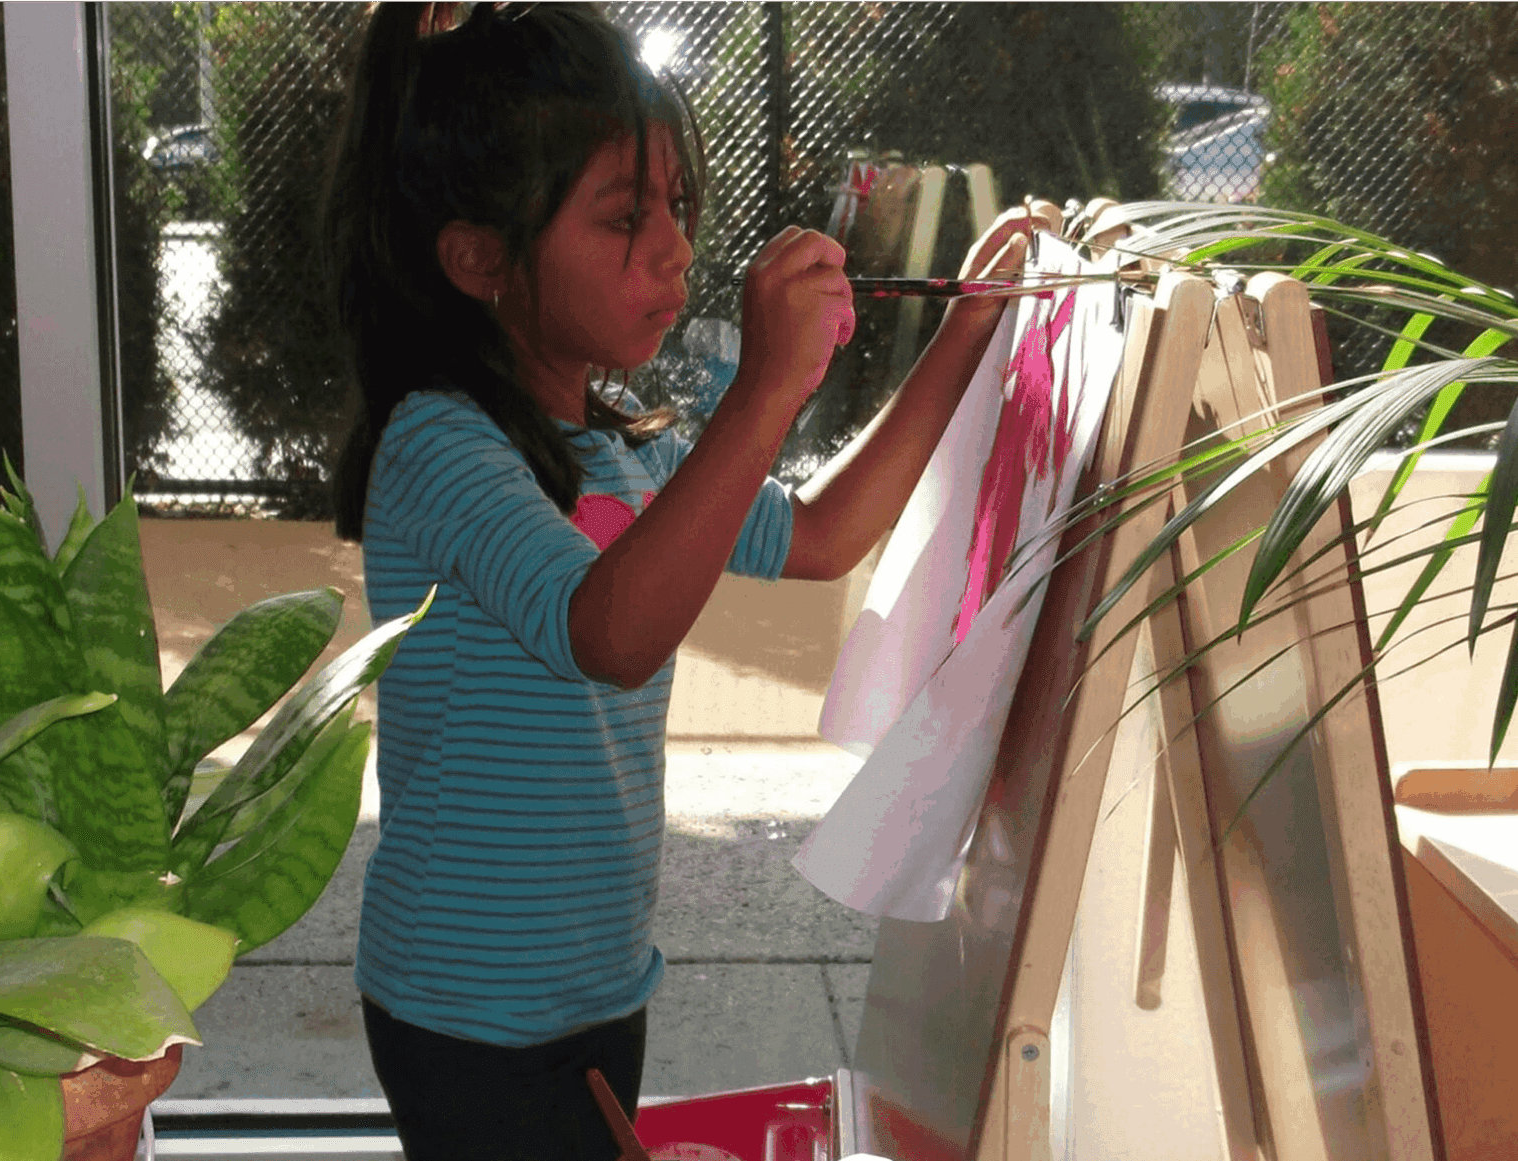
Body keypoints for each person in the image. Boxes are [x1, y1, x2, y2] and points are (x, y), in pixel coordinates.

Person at [321, 4, 1044, 1157]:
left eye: (680, 209)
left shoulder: (631, 449)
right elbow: (606, 630)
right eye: (622, 218)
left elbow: (820, 534)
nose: (673, 248)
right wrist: (763, 392)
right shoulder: (440, 446)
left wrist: (967, 330)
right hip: (463, 1007)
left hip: (600, 983)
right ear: (479, 259)